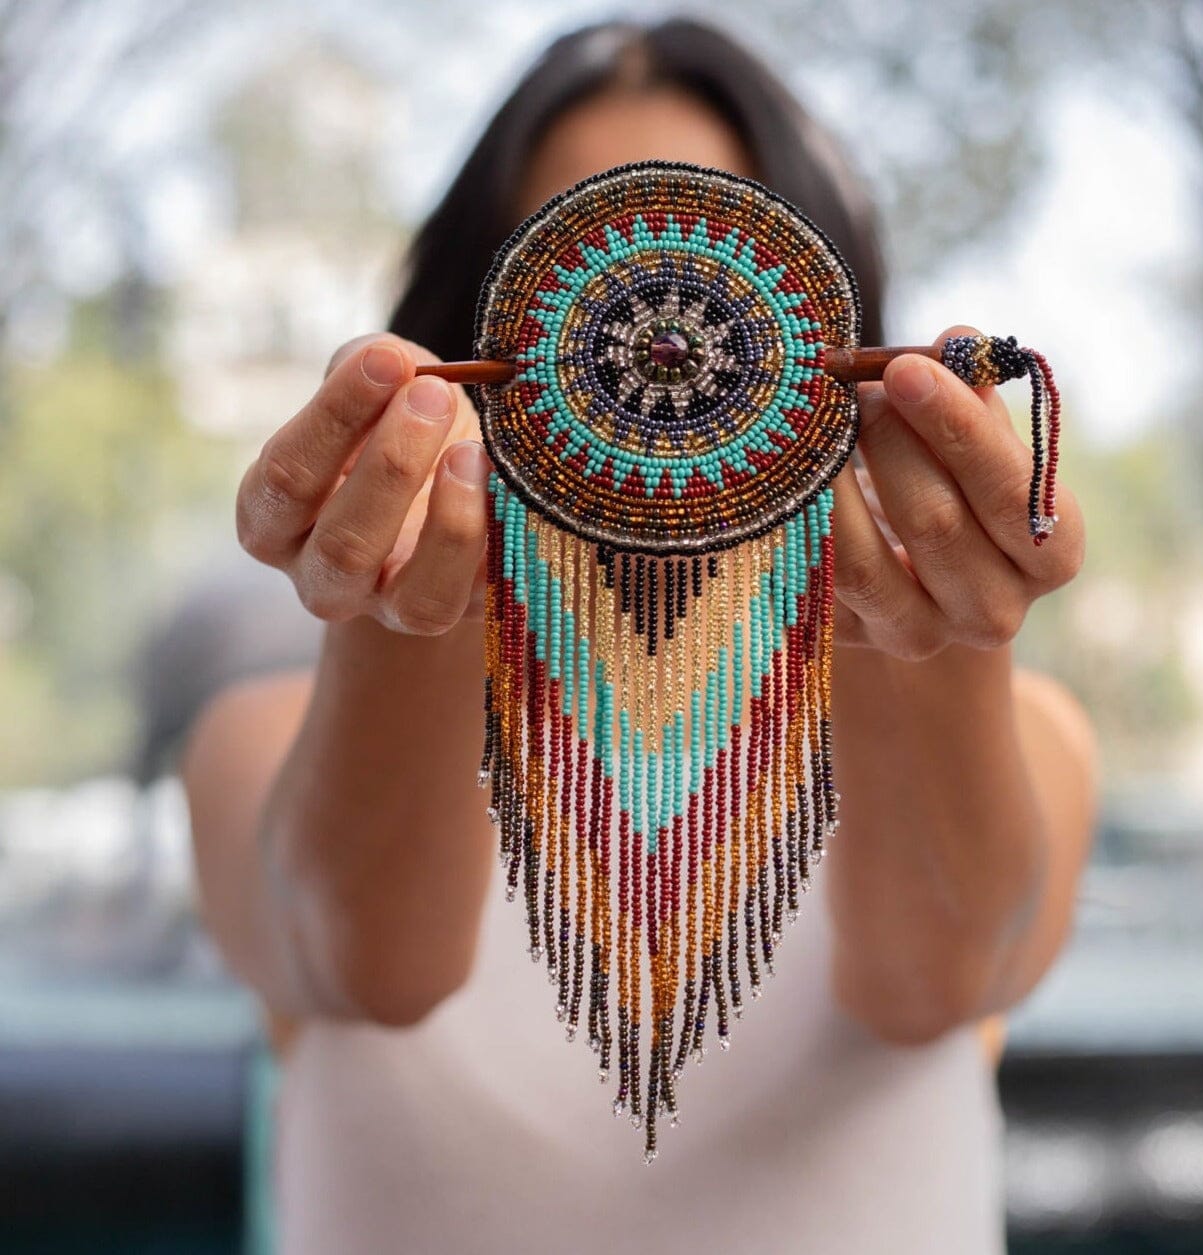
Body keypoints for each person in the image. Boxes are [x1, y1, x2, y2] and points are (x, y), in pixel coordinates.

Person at [182, 17, 1096, 1254]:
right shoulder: (259, 743)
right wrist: (413, 581)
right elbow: (367, 961)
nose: (662, 328)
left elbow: (933, 974)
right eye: (588, 265)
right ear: (466, 338)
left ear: (827, 337)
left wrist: (918, 626)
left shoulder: (1030, 734)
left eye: (719, 257)